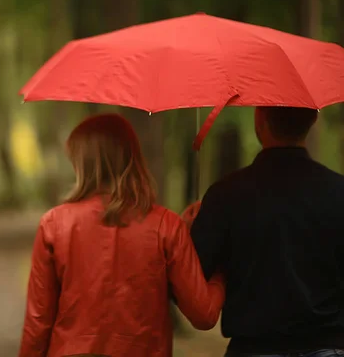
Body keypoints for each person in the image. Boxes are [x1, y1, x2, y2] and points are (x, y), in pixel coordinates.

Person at [19, 113, 225, 357]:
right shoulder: (166, 226)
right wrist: (221, 269)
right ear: (131, 157)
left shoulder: (53, 225)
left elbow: (37, 324)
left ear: (83, 164)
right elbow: (204, 315)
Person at [184, 107, 344, 357]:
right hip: (329, 347)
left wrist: (187, 233)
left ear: (259, 119)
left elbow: (193, 278)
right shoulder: (339, 192)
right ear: (313, 119)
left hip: (253, 348)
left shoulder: (226, 195)